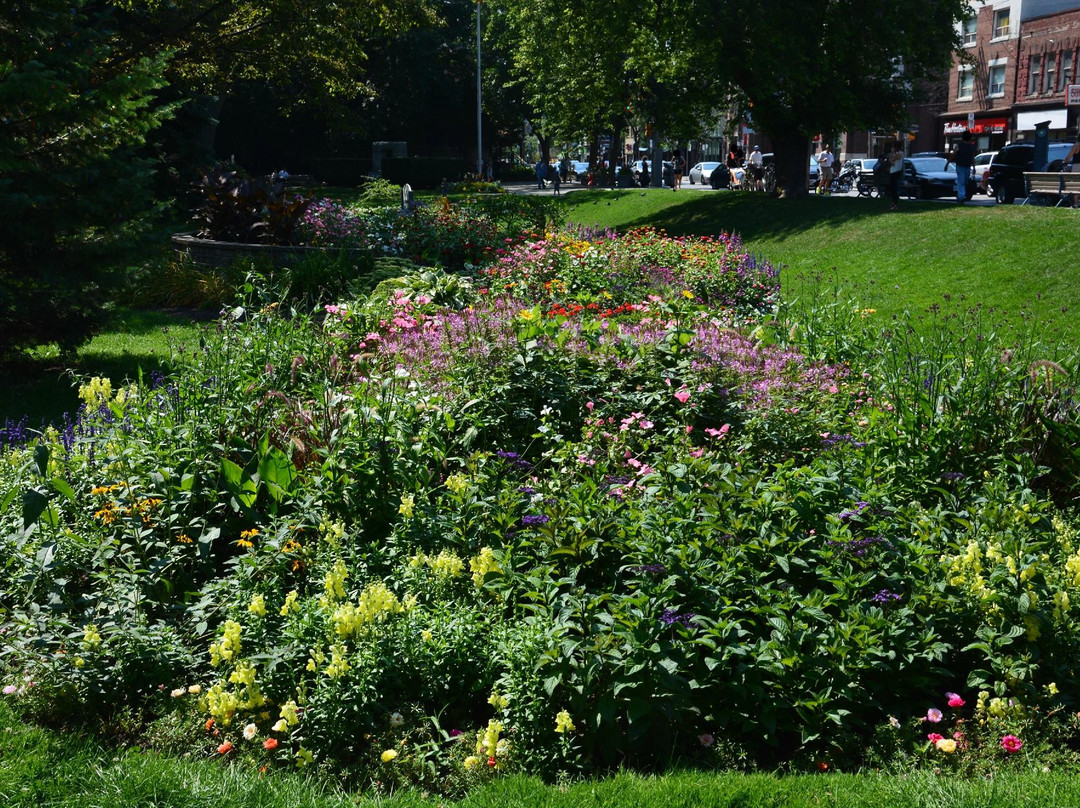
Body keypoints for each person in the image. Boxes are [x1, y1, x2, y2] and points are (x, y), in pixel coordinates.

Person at [946, 130, 976, 204]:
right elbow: (953, 155)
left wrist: (974, 167)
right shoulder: (960, 145)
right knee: (961, 181)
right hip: (960, 166)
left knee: (964, 181)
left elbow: (972, 157)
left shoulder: (969, 146)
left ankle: (961, 195)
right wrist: (947, 163)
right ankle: (961, 197)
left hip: (967, 166)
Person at [886, 143, 904, 211]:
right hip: (892, 172)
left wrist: (891, 157)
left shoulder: (900, 153)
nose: (892, 148)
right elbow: (891, 162)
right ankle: (893, 203)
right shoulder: (895, 154)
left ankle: (895, 204)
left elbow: (891, 161)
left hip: (896, 172)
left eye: (893, 147)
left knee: (894, 189)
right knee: (892, 189)